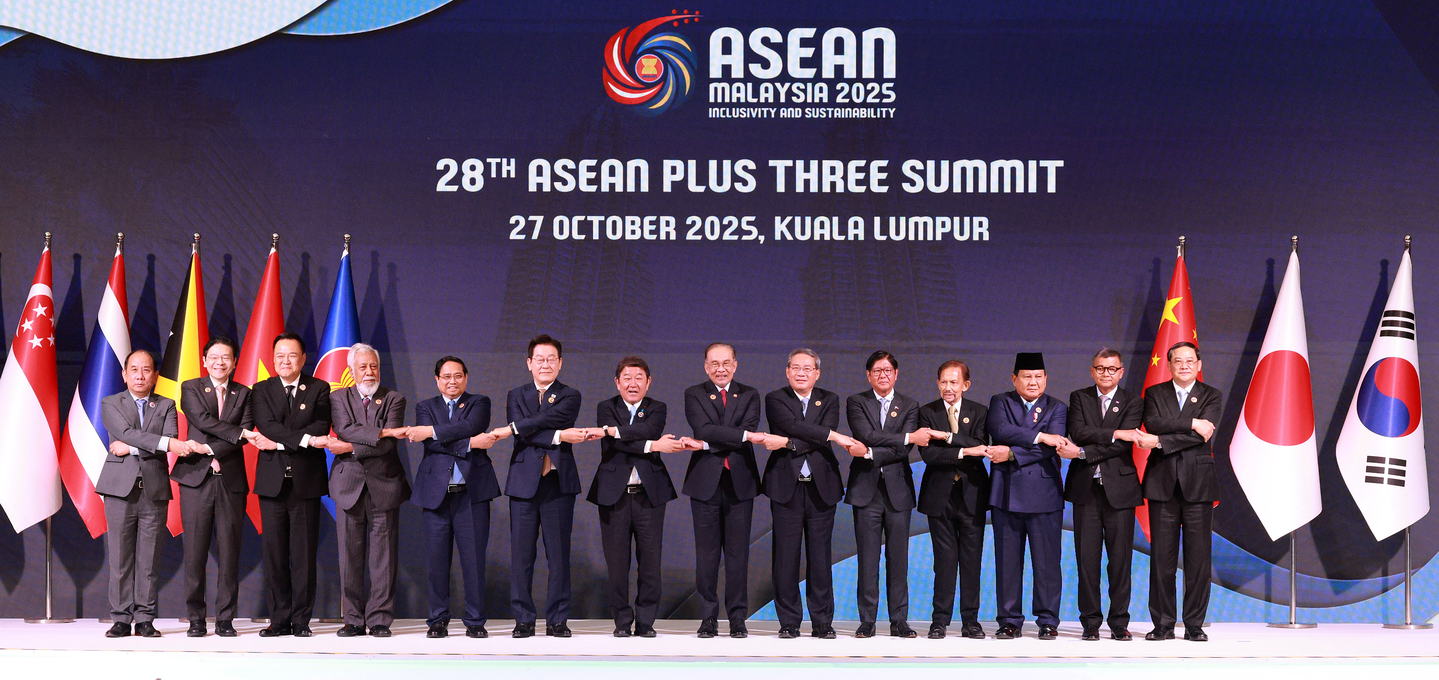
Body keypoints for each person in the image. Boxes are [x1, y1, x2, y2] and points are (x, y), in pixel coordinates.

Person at [487, 334, 594, 638]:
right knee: (522, 555)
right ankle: (523, 619)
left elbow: (541, 422)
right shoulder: (515, 394)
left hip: (558, 483)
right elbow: (525, 436)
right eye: (540, 359)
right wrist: (558, 436)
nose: (545, 364)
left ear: (560, 363)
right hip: (523, 483)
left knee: (558, 555)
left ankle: (557, 619)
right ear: (529, 363)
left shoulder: (571, 395)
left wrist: (517, 427)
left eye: (551, 359)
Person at [763, 348, 865, 639]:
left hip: (822, 488)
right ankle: (789, 622)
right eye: (796, 367)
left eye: (808, 368)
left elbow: (810, 432)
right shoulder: (775, 398)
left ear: (817, 373)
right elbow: (792, 426)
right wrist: (830, 436)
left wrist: (788, 444)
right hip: (785, 488)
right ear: (787, 371)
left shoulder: (830, 398)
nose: (801, 373)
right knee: (785, 557)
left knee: (820, 557)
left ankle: (822, 622)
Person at [97, 349, 195, 638]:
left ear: (154, 376)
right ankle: (120, 618)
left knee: (149, 559)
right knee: (120, 557)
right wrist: (160, 443)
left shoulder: (166, 404)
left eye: (146, 370)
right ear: (124, 374)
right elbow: (124, 432)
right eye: (134, 370)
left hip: (154, 489)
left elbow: (170, 440)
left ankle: (144, 619)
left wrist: (133, 447)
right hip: (118, 490)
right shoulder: (110, 402)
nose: (140, 375)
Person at [587, 355, 682, 638]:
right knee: (617, 564)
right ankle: (621, 622)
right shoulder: (606, 407)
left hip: (649, 495)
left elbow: (647, 430)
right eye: (627, 378)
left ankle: (646, 621)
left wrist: (617, 433)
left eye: (639, 378)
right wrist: (654, 446)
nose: (633, 383)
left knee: (650, 562)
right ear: (617, 382)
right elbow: (616, 446)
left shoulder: (657, 408)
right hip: (613, 495)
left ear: (648, 382)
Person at [678, 342, 766, 639]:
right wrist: (738, 435)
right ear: (706, 366)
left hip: (740, 482)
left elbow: (745, 429)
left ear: (735, 364)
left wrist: (710, 441)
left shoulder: (750, 394)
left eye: (726, 362)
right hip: (705, 483)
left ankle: (738, 618)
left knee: (738, 554)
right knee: (707, 555)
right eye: (714, 363)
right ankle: (708, 618)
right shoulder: (694, 393)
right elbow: (703, 429)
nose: (721, 368)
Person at [175, 336, 261, 638]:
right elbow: (202, 419)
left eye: (226, 357)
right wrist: (238, 435)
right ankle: (195, 619)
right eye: (214, 357)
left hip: (231, 480)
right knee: (195, 552)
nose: (220, 362)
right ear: (204, 360)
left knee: (229, 552)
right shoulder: (191, 387)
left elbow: (247, 432)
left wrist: (209, 449)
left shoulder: (244, 393)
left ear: (235, 362)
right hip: (195, 479)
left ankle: (225, 619)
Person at [407, 356, 498, 639]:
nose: (452, 381)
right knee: (436, 562)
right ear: (437, 380)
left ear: (466, 377)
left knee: (473, 561)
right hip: (436, 494)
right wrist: (470, 443)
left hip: (472, 494)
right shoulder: (425, 406)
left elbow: (470, 426)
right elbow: (432, 444)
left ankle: (474, 621)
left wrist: (436, 432)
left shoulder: (479, 402)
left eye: (457, 376)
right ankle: (437, 620)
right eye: (446, 377)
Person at [1136, 341, 1222, 642]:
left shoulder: (1212, 394)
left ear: (1198, 364)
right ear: (1169, 365)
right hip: (1162, 484)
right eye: (1177, 361)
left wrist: (1160, 442)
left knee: (1198, 560)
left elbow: (1204, 435)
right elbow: (1154, 422)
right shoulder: (1155, 393)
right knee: (1162, 559)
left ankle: (1195, 624)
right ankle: (1162, 624)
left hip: (1198, 485)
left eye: (1190, 360)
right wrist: (1191, 423)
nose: (1184, 365)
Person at [251, 331, 333, 638]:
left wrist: (278, 444)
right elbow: (265, 425)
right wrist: (306, 440)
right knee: (274, 554)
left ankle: (301, 621)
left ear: (303, 358)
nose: (285, 361)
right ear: (273, 360)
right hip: (272, 484)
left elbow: (322, 425)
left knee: (304, 555)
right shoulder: (261, 389)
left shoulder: (319, 388)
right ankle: (279, 619)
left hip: (306, 483)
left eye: (292, 355)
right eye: (280, 356)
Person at [986, 352, 1072, 640]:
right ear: (1014, 378)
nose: (1033, 382)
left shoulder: (1058, 408)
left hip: (1044, 494)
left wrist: (1010, 451)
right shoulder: (1001, 402)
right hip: (1006, 493)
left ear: (1046, 379)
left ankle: (1048, 620)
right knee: (1007, 561)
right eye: (1027, 376)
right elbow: (999, 429)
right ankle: (1009, 620)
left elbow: (1053, 446)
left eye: (1038, 377)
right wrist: (1039, 435)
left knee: (1047, 562)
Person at [1060, 348, 1144, 641]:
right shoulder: (1079, 397)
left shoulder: (1134, 401)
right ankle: (1090, 623)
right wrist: (1115, 432)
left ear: (1121, 372)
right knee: (1087, 559)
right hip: (1086, 490)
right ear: (1092, 371)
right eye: (1100, 368)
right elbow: (1078, 430)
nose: (1105, 373)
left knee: (1120, 560)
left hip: (1120, 491)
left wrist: (1082, 453)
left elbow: (1123, 444)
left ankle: (1119, 622)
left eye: (1111, 369)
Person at [329, 343, 412, 638]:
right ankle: (352, 619)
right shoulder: (338, 397)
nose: (369, 372)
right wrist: (382, 432)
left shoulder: (394, 398)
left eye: (373, 366)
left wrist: (351, 447)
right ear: (352, 371)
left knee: (384, 557)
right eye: (362, 367)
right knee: (349, 556)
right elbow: (344, 428)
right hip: (348, 485)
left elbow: (389, 444)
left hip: (384, 485)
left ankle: (379, 619)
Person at [844, 350, 928, 638]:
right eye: (877, 371)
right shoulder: (856, 401)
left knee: (898, 558)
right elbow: (865, 434)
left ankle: (899, 621)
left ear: (896, 374)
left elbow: (904, 450)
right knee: (867, 558)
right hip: (866, 490)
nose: (883, 375)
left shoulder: (910, 405)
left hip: (898, 492)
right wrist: (905, 438)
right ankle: (867, 620)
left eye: (888, 370)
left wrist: (868, 453)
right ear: (868, 375)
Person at [917, 360, 997, 640]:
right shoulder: (927, 412)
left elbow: (980, 443)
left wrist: (947, 437)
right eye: (943, 382)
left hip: (972, 494)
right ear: (937, 383)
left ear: (966, 385)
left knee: (971, 560)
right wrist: (964, 451)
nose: (948, 388)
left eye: (954, 382)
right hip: (939, 496)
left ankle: (970, 621)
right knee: (944, 561)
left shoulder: (980, 411)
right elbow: (929, 455)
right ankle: (939, 621)